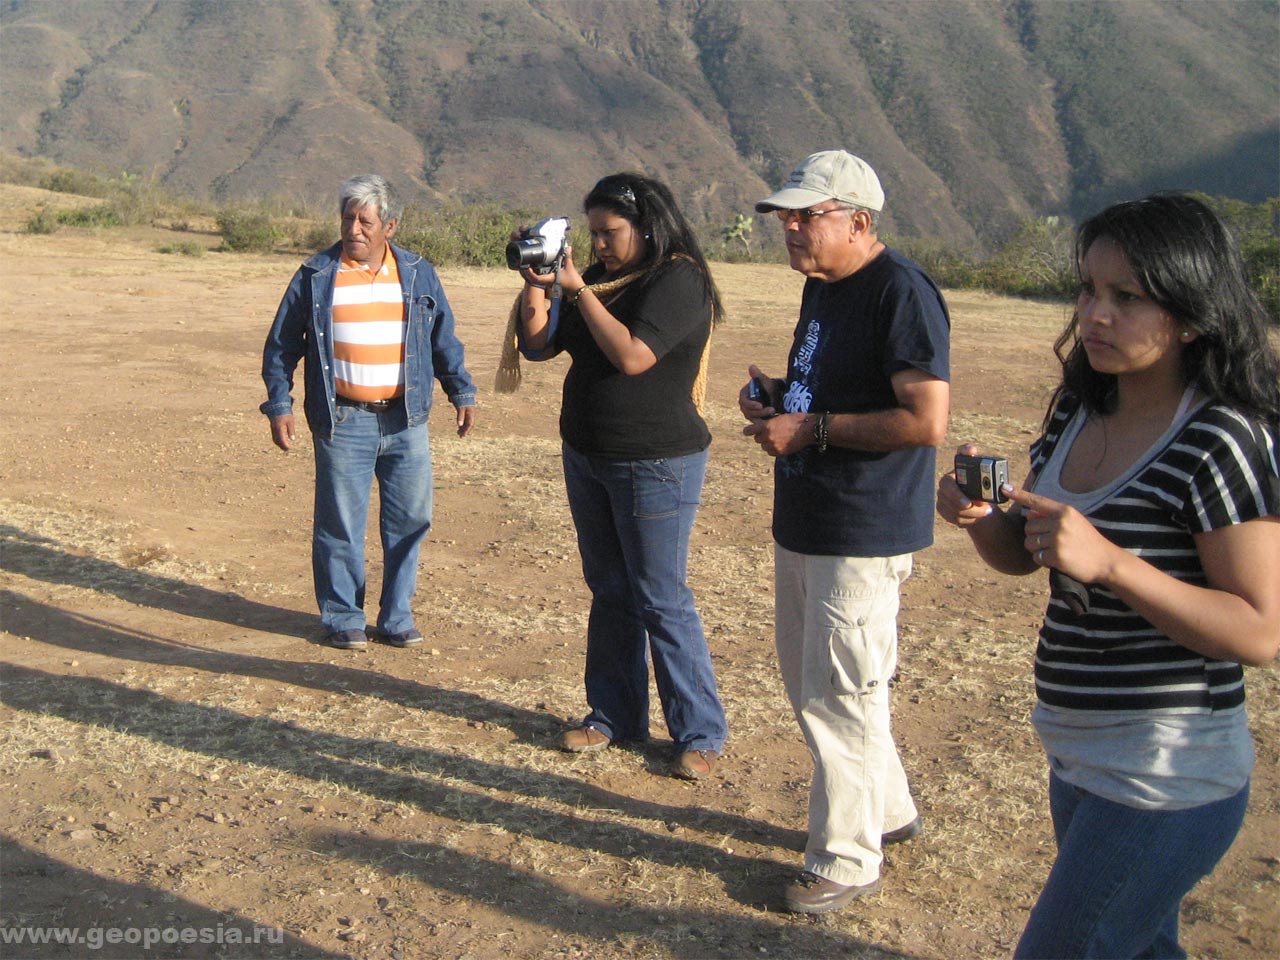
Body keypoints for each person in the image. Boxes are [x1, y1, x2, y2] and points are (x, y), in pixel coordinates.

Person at [937, 193, 1280, 959]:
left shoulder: (1221, 438)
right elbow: (1025, 557)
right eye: (1089, 289)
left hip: (1167, 775)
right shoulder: (1078, 410)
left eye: (1128, 298)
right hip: (1080, 757)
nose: (1095, 314)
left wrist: (1115, 564)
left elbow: (1258, 631)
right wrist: (979, 519)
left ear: (1191, 314)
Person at [740, 150, 951, 913]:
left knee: (841, 693)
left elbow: (926, 420)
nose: (790, 230)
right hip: (809, 517)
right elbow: (825, 392)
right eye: (786, 217)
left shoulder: (901, 293)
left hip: (860, 527)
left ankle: (847, 857)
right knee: (817, 683)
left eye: (807, 216)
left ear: (859, 221)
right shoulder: (825, 289)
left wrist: (812, 429)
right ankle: (886, 812)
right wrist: (776, 398)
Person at [509, 172, 728, 781]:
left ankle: (700, 730)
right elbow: (536, 347)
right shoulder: (601, 278)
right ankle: (614, 714)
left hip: (656, 460)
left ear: (647, 225)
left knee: (660, 596)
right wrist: (538, 286)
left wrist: (579, 292)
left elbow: (634, 355)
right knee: (610, 587)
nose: (600, 245)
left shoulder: (679, 278)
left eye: (611, 233)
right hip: (588, 453)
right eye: (594, 234)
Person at [261, 174, 476, 651]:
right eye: (347, 218)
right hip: (343, 420)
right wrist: (280, 405)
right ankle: (342, 618)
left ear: (390, 226)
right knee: (339, 525)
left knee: (410, 521)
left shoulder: (419, 273)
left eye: (365, 220)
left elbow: (444, 339)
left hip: (406, 419)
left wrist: (461, 392)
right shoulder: (316, 275)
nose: (354, 228)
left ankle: (397, 616)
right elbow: (280, 347)